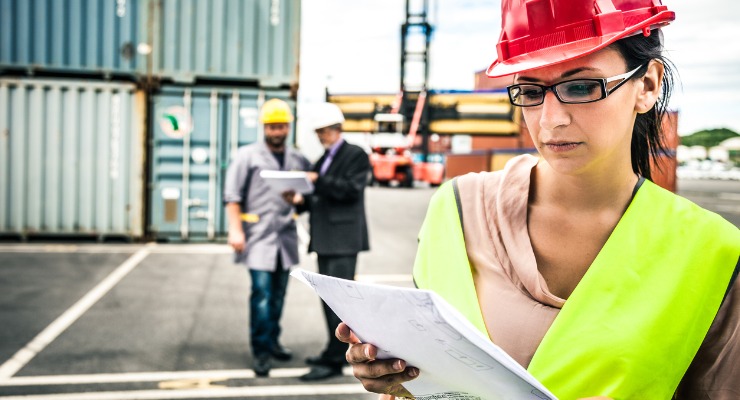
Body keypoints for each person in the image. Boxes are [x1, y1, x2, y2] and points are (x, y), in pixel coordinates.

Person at [337, 1, 740, 399]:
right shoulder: (457, 209)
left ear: (648, 85)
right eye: (530, 90)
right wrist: (392, 374)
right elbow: (422, 380)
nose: (550, 120)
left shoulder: (712, 252)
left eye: (581, 86)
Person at [223, 98, 311, 377]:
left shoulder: (296, 158)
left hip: (285, 237)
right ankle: (260, 351)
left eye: (282, 126)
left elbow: (310, 185)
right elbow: (232, 197)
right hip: (258, 237)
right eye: (273, 127)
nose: (277, 131)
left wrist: (300, 197)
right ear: (264, 127)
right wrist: (235, 230)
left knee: (278, 296)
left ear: (289, 127)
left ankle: (273, 341)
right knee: (261, 294)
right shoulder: (247, 156)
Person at [284, 102, 372, 381]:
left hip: (343, 239)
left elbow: (350, 190)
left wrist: (317, 180)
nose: (321, 136)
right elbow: (319, 194)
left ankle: (335, 360)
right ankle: (333, 351)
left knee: (339, 303)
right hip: (326, 238)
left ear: (337, 129)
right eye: (319, 132)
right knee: (328, 300)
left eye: (324, 131)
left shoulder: (355, 155)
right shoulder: (323, 160)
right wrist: (300, 200)